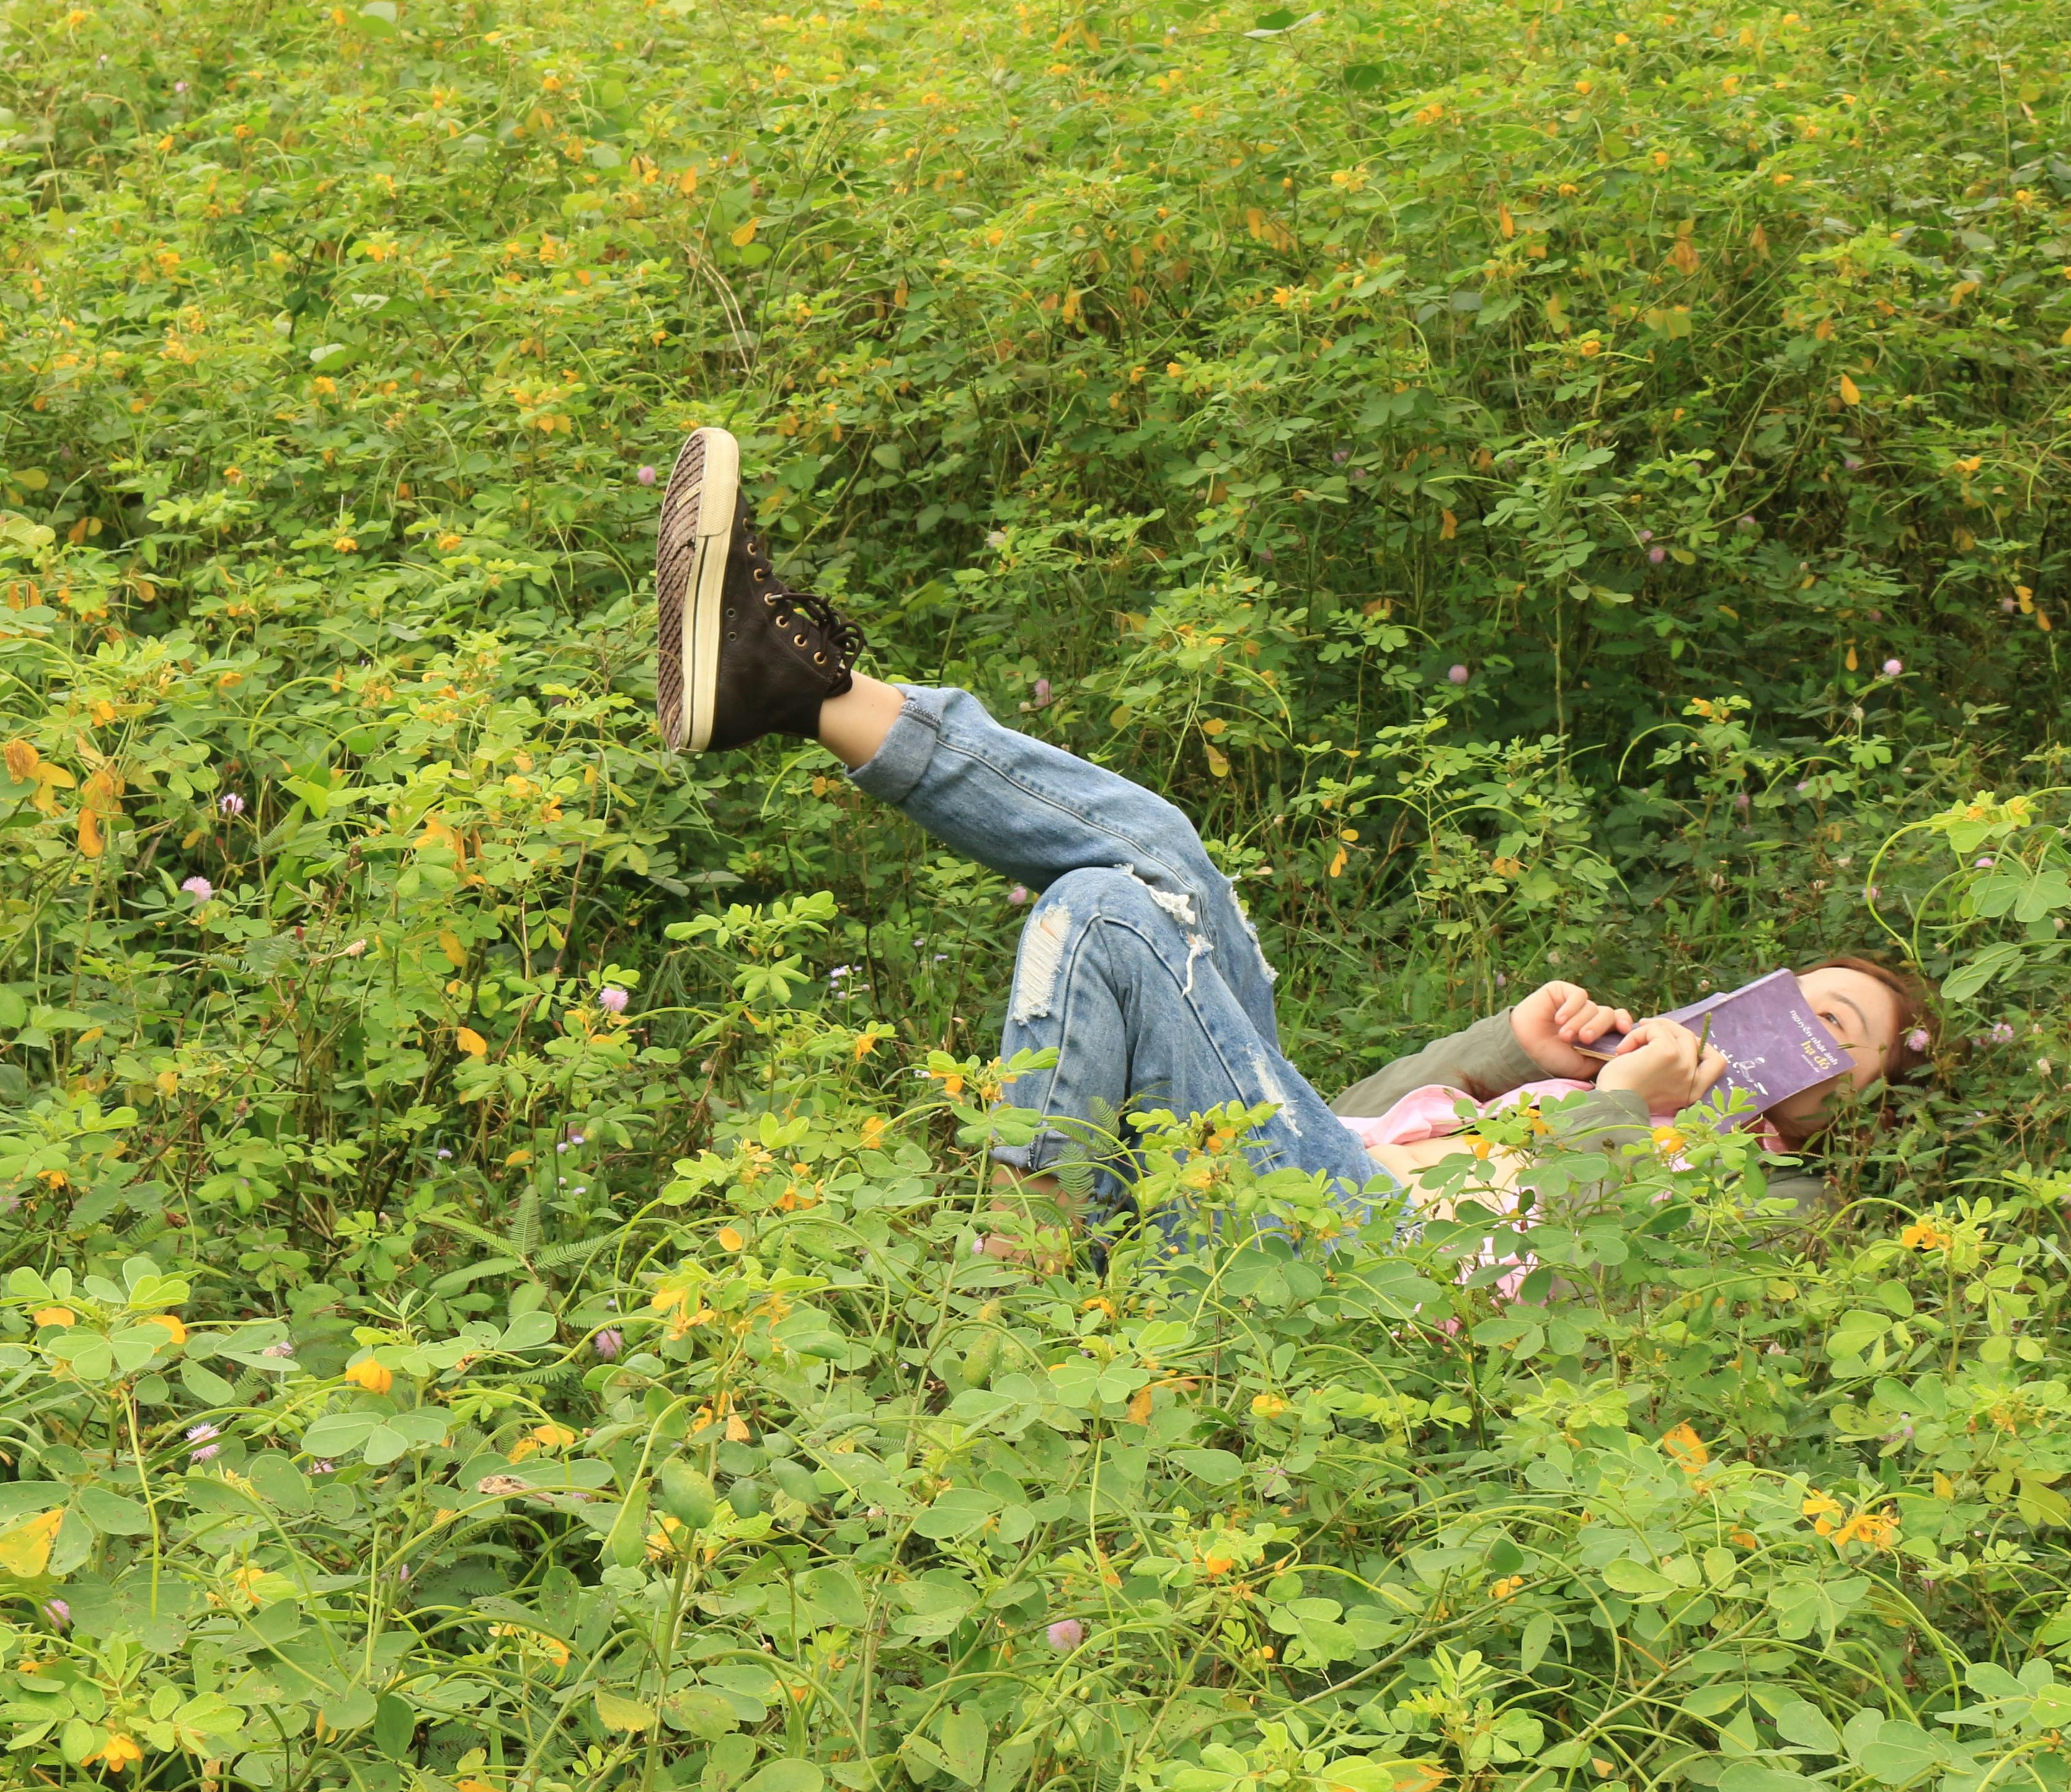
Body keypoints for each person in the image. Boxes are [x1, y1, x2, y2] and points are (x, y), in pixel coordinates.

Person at [653, 426, 1935, 1231]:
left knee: (1109, 903)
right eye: (1797, 995)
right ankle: (796, 684)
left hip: (1340, 1274)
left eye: (1841, 1033)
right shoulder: (1601, 1087)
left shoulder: (1779, 1203)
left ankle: (1015, 1271)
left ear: (1863, 1107)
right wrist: (1508, 1052)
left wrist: (1619, 1112)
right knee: (1150, 854)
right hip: (1295, 1193)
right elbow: (1347, 1124)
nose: (1801, 1027)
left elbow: (1566, 1288)